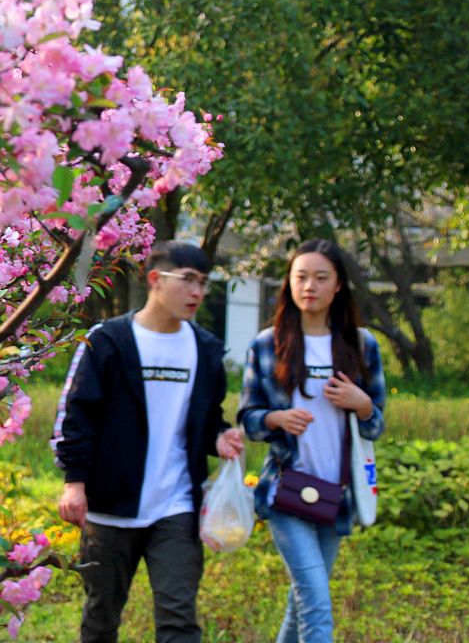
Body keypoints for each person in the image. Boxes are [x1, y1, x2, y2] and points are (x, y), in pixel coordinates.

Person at [53, 241, 244, 643]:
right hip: (110, 509)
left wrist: (219, 437)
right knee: (101, 619)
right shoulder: (108, 340)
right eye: (188, 280)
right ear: (156, 279)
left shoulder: (206, 349)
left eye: (204, 283)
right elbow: (76, 414)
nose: (198, 292)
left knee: (179, 618)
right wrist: (75, 481)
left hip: (176, 506)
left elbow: (208, 418)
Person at [237, 239, 387, 643]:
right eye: (301, 277)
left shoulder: (362, 345)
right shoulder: (267, 344)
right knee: (317, 603)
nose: (310, 287)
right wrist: (276, 417)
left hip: (336, 494)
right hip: (286, 491)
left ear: (338, 285)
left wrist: (363, 405)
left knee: (301, 601)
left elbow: (377, 425)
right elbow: (248, 420)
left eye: (321, 278)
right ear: (289, 282)